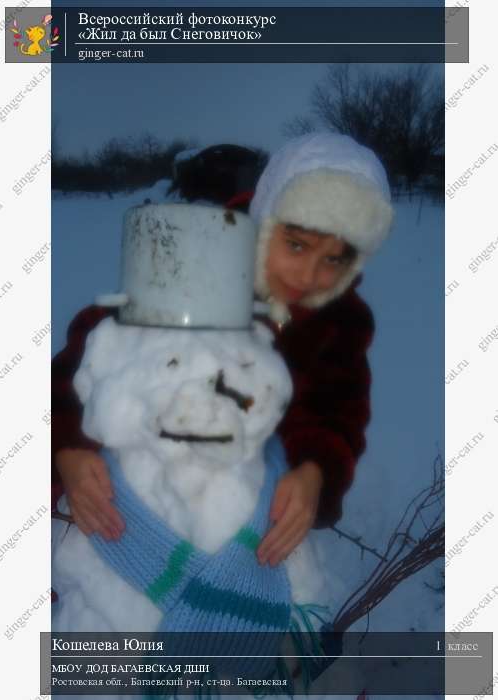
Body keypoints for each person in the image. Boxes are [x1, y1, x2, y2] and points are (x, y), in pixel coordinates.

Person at [52, 132, 393, 568]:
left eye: (335, 258)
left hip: (251, 526)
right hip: (131, 507)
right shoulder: (196, 259)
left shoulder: (341, 321)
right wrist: (66, 450)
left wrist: (314, 471)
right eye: (297, 244)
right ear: (267, 220)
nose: (310, 275)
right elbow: (86, 362)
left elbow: (336, 412)